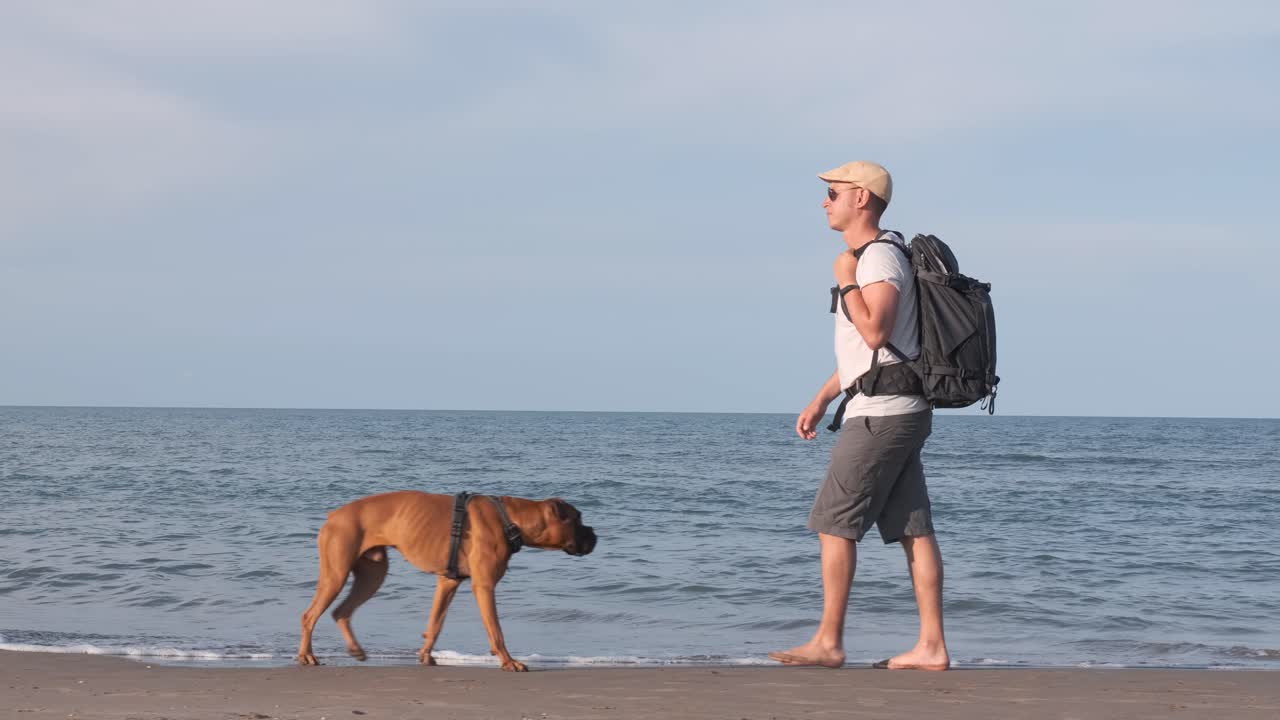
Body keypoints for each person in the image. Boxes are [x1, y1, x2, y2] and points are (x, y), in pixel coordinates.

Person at [769, 161, 949, 671]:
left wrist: (846, 280)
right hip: (889, 406)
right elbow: (864, 354)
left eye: (833, 193)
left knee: (834, 524)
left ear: (862, 198)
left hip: (882, 415)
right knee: (913, 528)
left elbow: (876, 333)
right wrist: (822, 397)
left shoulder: (878, 260)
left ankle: (829, 641)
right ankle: (931, 646)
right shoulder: (870, 257)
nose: (825, 202)